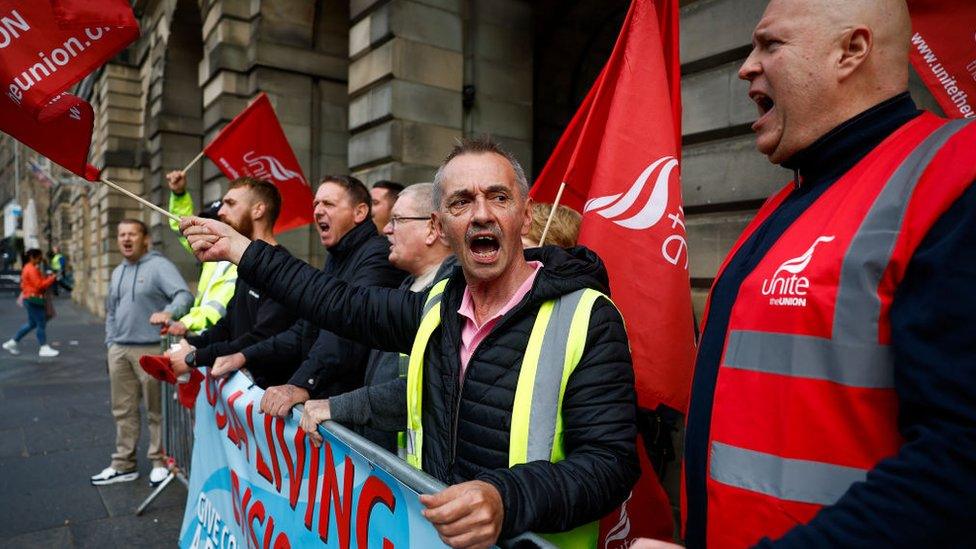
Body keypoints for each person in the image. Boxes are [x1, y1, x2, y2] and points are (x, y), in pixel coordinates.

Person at [182, 137, 639, 548]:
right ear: (441, 225)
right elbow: (338, 302)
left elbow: (610, 463)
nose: (482, 213)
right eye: (462, 202)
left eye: (498, 197)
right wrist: (243, 251)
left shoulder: (587, 316)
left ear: (524, 212)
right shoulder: (437, 303)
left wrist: (505, 499)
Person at [637, 1, 976, 547]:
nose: (747, 66)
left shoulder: (954, 177)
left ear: (852, 51)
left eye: (770, 45)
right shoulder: (782, 206)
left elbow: (959, 465)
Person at [209, 175, 405, 416]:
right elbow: (305, 328)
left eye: (328, 204)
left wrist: (303, 383)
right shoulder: (337, 256)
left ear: (360, 212)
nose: (318, 211)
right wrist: (244, 356)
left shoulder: (376, 256)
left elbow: (347, 329)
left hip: (350, 417)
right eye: (315, 205)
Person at [300, 183, 456, 453]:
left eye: (398, 220)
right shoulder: (405, 287)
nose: (386, 229)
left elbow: (426, 390)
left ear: (432, 228)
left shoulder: (453, 295)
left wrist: (336, 406)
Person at [167, 178, 297, 388]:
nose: (220, 212)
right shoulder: (248, 267)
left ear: (258, 210)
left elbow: (261, 337)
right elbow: (229, 324)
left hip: (265, 398)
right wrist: (191, 345)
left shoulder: (282, 269)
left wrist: (196, 357)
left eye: (231, 203)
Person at [91, 219, 192, 487]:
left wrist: (170, 313)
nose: (126, 239)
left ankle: (159, 461)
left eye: (132, 234)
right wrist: (111, 342)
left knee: (156, 410)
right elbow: (111, 310)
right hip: (120, 349)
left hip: (150, 349)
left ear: (145, 238)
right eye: (121, 234)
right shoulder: (117, 272)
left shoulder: (159, 266)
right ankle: (124, 464)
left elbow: (184, 295)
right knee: (122, 410)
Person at [163, 170, 237, 337]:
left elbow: (218, 306)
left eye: (213, 223)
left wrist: (187, 322)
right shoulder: (212, 252)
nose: (206, 229)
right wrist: (179, 194)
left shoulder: (237, 260)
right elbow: (182, 227)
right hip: (203, 337)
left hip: (217, 341)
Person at [3, 249, 59, 357]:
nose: (40, 260)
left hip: (29, 298)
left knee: (32, 323)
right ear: (33, 257)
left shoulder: (28, 268)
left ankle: (13, 342)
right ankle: (43, 347)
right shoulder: (31, 269)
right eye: (39, 257)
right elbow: (39, 285)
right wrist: (51, 279)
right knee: (40, 322)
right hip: (34, 298)